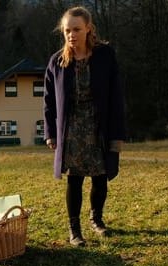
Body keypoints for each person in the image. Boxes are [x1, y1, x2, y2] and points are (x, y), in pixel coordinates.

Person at [43, 6, 126, 246]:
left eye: (77, 29)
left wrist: (117, 135)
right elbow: (48, 101)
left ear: (88, 29)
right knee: (75, 179)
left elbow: (116, 96)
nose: (72, 35)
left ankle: (97, 219)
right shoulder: (57, 61)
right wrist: (50, 133)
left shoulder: (105, 55)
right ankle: (74, 229)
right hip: (71, 130)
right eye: (67, 30)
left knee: (100, 177)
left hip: (100, 126)